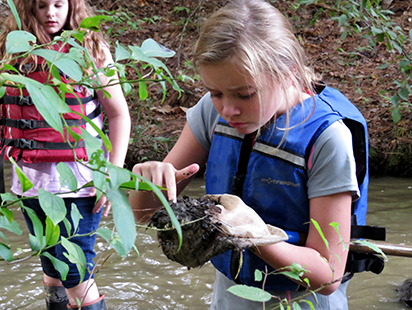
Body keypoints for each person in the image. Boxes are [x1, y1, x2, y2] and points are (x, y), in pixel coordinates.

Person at [129, 0, 371, 309]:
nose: (228, 109)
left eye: (245, 94)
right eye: (216, 93)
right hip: (232, 293)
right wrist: (147, 185)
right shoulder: (210, 113)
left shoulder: (327, 139)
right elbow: (144, 215)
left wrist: (254, 235)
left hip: (303, 301)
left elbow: (328, 274)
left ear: (288, 73)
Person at [0, 0, 130, 309]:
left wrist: (111, 177)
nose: (51, 13)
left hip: (81, 184)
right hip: (29, 183)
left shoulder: (91, 50)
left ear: (72, 5)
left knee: (76, 275)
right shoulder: (13, 53)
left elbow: (119, 116)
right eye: (41, 5)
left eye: (59, 4)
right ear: (27, 8)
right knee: (52, 268)